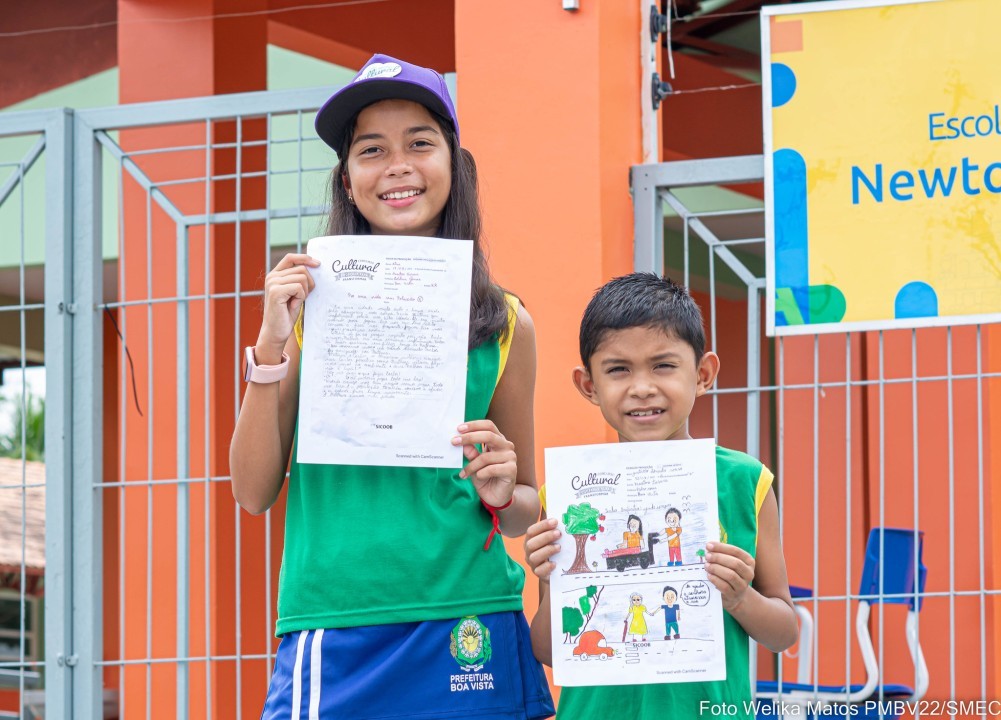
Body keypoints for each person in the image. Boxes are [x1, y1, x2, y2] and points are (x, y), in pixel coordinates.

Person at [230, 53, 554, 720]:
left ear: (453, 168)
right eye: (371, 150)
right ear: (347, 182)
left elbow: (522, 507)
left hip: (470, 618)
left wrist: (504, 484)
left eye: (419, 143)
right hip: (335, 620)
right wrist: (269, 348)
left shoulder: (506, 323)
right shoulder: (301, 312)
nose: (397, 165)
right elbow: (253, 491)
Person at [524, 272, 798, 720]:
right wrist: (556, 582)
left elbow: (783, 632)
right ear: (588, 385)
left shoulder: (747, 483)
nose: (642, 387)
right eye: (618, 370)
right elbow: (550, 650)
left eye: (664, 365)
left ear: (704, 374)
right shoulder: (565, 495)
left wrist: (739, 598)